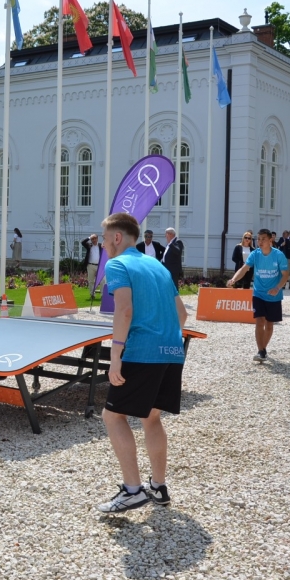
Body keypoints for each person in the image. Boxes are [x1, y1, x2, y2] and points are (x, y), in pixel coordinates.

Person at [97, 212, 187, 513]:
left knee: (112, 416)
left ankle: (133, 490)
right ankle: (158, 487)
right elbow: (182, 315)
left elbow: (124, 311)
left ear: (117, 237)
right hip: (171, 351)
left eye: (105, 239)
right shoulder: (158, 266)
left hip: (141, 353)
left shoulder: (117, 264)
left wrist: (115, 357)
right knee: (151, 417)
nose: (103, 245)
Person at [227, 228, 289, 362]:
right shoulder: (255, 254)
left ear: (270, 240)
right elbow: (244, 269)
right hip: (258, 293)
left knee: (269, 324)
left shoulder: (278, 255)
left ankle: (263, 349)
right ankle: (261, 351)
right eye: (258, 239)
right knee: (259, 321)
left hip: (274, 295)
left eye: (263, 239)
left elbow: (285, 275)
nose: (260, 242)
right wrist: (234, 279)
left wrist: (277, 288)